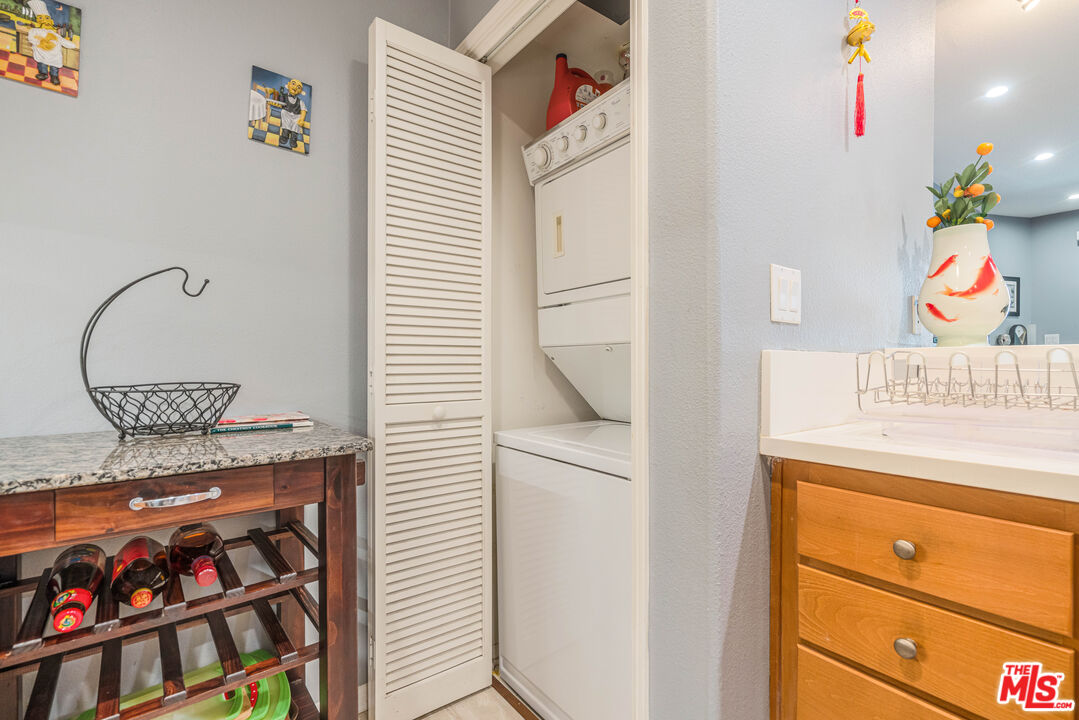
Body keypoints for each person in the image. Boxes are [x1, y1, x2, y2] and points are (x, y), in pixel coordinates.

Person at [25, 1, 75, 86]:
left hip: (54, 55)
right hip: (41, 53)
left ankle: (54, 76)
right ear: (38, 20)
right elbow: (31, 38)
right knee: (41, 62)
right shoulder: (35, 31)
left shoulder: (54, 34)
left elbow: (63, 41)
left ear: (51, 21)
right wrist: (39, 41)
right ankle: (43, 73)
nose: (45, 21)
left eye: (47, 19)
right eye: (41, 18)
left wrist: (72, 45)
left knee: (54, 64)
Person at [278, 78, 308, 150]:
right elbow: (280, 103)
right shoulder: (284, 96)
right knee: (283, 112)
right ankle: (285, 135)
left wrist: (302, 119)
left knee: (297, 122)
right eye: (293, 84)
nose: (295, 87)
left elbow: (303, 110)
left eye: (298, 87)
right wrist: (280, 95)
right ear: (288, 85)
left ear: (300, 91)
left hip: (296, 116)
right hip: (287, 114)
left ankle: (293, 138)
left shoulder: (300, 101)